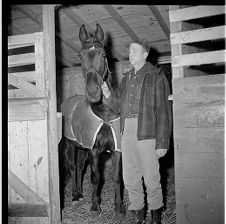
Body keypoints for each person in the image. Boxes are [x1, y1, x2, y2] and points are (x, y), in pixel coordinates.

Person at [102, 39, 172, 224]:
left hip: (148, 131)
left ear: (145, 54)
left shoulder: (156, 76)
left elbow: (164, 111)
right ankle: (138, 216)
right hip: (127, 132)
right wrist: (108, 95)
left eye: (134, 51)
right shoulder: (127, 78)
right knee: (130, 177)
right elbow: (118, 107)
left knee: (151, 178)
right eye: (130, 51)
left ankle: (155, 218)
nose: (130, 54)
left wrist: (162, 142)